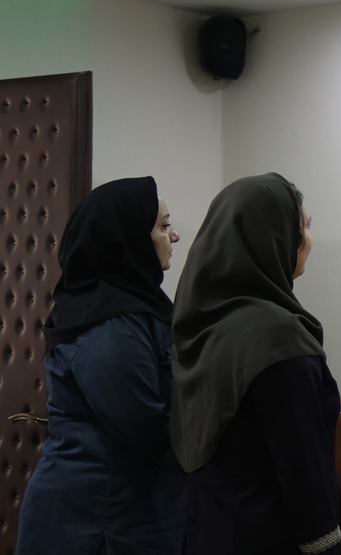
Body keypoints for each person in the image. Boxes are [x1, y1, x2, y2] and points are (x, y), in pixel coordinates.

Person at [170, 172, 341, 555]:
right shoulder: (278, 338)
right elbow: (304, 477)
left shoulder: (201, 328)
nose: (309, 239)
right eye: (303, 226)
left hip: (207, 535)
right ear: (274, 236)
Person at [16, 177, 184, 555]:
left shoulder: (136, 305)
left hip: (128, 512)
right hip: (98, 520)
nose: (174, 236)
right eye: (163, 226)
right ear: (127, 238)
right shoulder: (108, 320)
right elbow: (143, 426)